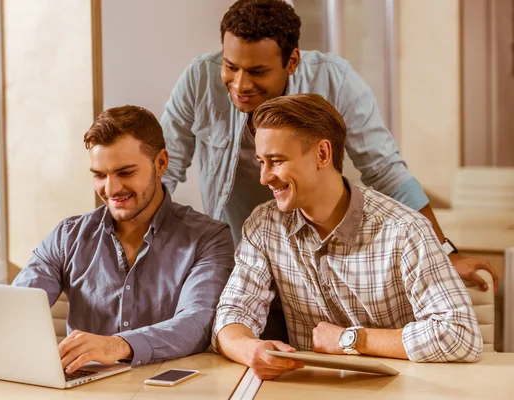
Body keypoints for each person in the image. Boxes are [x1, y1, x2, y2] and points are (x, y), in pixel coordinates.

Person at [160, 0, 497, 292]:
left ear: (292, 62)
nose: (241, 84)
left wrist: (444, 253)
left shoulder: (334, 79)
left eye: (258, 71)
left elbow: (385, 171)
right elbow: (164, 168)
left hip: (319, 262)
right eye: (230, 67)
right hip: (241, 257)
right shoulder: (199, 79)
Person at [212, 94, 482, 380]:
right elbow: (231, 315)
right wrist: (251, 349)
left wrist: (351, 340)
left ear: (322, 155)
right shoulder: (264, 226)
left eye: (276, 161)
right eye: (261, 162)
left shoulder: (404, 230)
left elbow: (460, 334)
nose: (264, 177)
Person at [13, 105, 234, 374]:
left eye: (125, 172)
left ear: (161, 163)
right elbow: (17, 306)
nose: (111, 189)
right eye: (99, 175)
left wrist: (117, 345)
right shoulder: (67, 237)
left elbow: (198, 321)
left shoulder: (208, 238)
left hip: (171, 391)